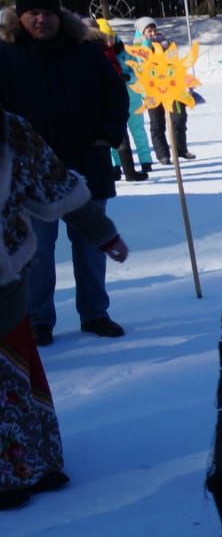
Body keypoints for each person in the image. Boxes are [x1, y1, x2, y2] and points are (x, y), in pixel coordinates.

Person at [0, 112, 128, 509]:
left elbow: (54, 184)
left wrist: (102, 232)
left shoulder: (10, 131)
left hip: (6, 277)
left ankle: (31, 462)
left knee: (14, 368)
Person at [0, 0, 131, 343]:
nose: (41, 20)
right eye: (33, 14)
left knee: (91, 245)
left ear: (59, 16)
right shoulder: (5, 55)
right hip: (29, 174)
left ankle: (95, 313)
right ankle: (39, 318)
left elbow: (117, 97)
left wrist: (107, 135)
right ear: (20, 17)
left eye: (47, 13)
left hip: (86, 163)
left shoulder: (85, 52)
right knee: (38, 252)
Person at [131, 16, 197, 166]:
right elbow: (142, 65)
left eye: (154, 29)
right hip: (151, 92)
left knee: (179, 118)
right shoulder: (137, 48)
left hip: (171, 89)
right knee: (157, 124)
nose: (153, 33)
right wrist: (148, 44)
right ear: (142, 33)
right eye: (149, 30)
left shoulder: (166, 44)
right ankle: (163, 154)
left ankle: (180, 149)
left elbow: (175, 64)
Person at [93, 18, 151, 182]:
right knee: (115, 135)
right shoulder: (98, 51)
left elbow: (137, 70)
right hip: (112, 100)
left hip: (131, 96)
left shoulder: (123, 50)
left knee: (137, 129)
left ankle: (145, 161)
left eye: (110, 37)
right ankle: (117, 167)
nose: (109, 41)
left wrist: (128, 77)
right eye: (105, 38)